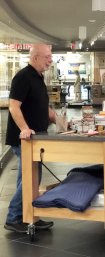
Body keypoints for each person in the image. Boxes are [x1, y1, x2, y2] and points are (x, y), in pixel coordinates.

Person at [4, 43, 56, 233]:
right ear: (35, 58)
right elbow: (14, 106)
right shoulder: (23, 77)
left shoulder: (38, 77)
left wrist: (58, 119)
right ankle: (14, 218)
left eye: (51, 57)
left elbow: (40, 105)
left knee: (26, 179)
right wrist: (25, 129)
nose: (50, 60)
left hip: (37, 138)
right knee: (32, 179)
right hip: (24, 139)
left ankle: (27, 216)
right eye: (47, 57)